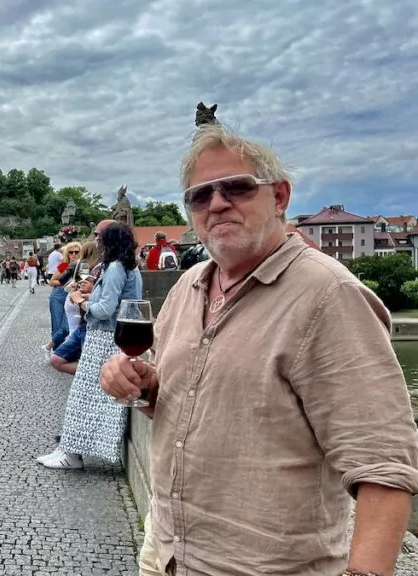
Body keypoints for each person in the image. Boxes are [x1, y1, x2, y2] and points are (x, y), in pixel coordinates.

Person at [102, 123, 418, 576]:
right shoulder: (188, 286)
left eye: (237, 187)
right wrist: (144, 384)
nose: (217, 203)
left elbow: (384, 462)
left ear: (281, 197)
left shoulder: (328, 295)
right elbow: (185, 398)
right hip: (167, 550)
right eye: (199, 195)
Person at [38, 220, 141, 470]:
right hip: (114, 336)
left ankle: (71, 455)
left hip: (104, 337)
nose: (97, 242)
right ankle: (69, 450)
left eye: (100, 237)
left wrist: (80, 301)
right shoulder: (129, 267)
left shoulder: (116, 267)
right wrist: (89, 294)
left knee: (84, 398)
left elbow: (105, 310)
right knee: (90, 398)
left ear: (110, 241)